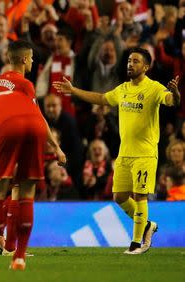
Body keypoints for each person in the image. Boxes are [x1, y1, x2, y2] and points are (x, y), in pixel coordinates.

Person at [54, 47, 181, 254]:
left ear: (146, 67)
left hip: (145, 153)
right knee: (119, 196)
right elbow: (102, 99)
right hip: (124, 153)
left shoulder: (154, 88)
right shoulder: (122, 89)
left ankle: (137, 243)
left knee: (140, 196)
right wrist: (74, 90)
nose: (131, 64)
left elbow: (171, 101)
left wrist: (175, 93)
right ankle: (148, 225)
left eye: (136, 61)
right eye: (130, 60)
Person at [0, 89, 66, 270]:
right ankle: (19, 257)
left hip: (8, 126)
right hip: (37, 123)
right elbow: (38, 115)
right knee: (26, 190)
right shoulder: (24, 91)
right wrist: (57, 148)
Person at [0, 40, 64, 255]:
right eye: (31, 58)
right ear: (24, 59)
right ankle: (5, 242)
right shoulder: (24, 85)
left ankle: (1, 240)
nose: (32, 61)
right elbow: (38, 118)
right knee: (18, 191)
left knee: (7, 191)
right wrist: (56, 147)